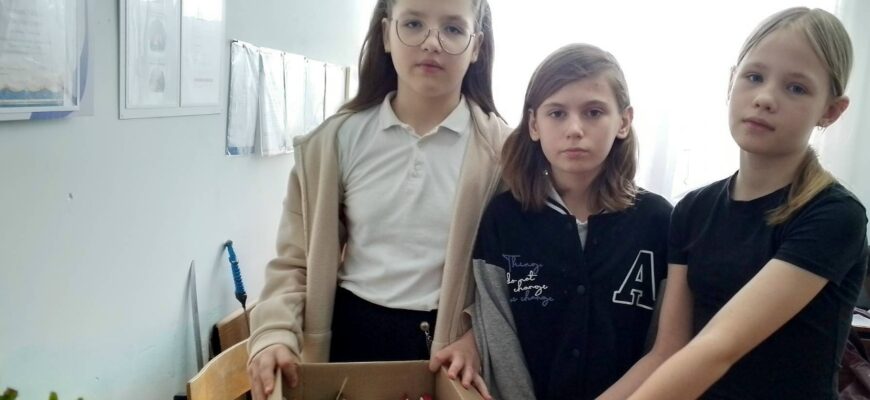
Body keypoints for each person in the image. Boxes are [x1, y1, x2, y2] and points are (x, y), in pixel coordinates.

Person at [245, 0, 510, 399]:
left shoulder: (503, 156)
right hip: (347, 338)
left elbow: (516, 276)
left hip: (448, 351)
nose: (432, 42)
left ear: (476, 46)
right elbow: (294, 262)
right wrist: (274, 332)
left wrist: (476, 335)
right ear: (386, 34)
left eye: (453, 29)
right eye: (413, 23)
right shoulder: (334, 142)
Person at [601, 7, 869, 400]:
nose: (764, 98)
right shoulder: (693, 210)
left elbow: (719, 347)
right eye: (754, 77)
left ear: (831, 111)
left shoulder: (834, 215)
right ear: (732, 81)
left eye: (796, 88)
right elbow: (668, 351)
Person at [469, 43, 672, 400]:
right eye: (557, 113)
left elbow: (662, 344)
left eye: (594, 112)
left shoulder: (658, 221)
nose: (575, 129)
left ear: (624, 121)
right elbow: (499, 335)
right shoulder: (504, 218)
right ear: (534, 124)